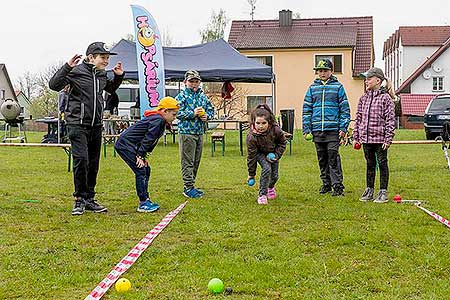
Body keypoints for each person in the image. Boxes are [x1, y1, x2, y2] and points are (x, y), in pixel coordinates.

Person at [49, 41, 124, 215]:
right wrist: (67, 67)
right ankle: (79, 199)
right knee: (81, 160)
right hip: (77, 124)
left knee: (93, 163)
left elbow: (110, 89)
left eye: (107, 58)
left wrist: (118, 77)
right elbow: (54, 85)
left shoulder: (101, 74)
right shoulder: (76, 72)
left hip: (96, 125)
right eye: (103, 57)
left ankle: (90, 198)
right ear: (91, 57)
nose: (106, 61)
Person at [114, 97, 179, 212]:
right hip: (125, 145)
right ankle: (143, 203)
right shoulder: (158, 120)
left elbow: (151, 142)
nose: (175, 118)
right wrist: (139, 156)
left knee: (146, 169)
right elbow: (149, 139)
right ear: (165, 111)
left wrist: (144, 157)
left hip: (133, 146)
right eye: (173, 114)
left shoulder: (160, 120)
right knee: (141, 170)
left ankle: (146, 198)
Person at [302, 59, 351, 196]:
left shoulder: (338, 87)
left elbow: (345, 109)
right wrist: (307, 129)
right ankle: (326, 183)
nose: (322, 73)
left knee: (333, 157)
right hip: (317, 130)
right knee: (322, 158)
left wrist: (343, 127)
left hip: (333, 130)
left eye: (325, 70)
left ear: (331, 71)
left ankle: (337, 185)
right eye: (320, 70)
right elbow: (307, 110)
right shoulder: (312, 88)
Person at [353, 67, 395, 203]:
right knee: (370, 164)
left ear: (378, 80)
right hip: (366, 139)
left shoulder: (385, 99)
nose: (366, 81)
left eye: (369, 79)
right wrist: (356, 137)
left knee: (382, 164)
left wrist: (388, 139)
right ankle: (369, 189)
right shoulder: (363, 98)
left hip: (380, 139)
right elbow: (358, 119)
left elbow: (390, 120)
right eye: (365, 79)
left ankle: (383, 191)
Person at [175, 70, 214, 198]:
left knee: (196, 161)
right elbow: (176, 113)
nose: (194, 84)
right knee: (188, 161)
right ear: (185, 82)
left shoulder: (203, 96)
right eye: (191, 81)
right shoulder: (181, 97)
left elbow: (211, 110)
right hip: (187, 133)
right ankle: (188, 187)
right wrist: (193, 113)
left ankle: (191, 186)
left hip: (199, 132)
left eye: (196, 81)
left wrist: (207, 116)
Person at [246, 104, 287, 205]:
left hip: (273, 152)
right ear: (253, 122)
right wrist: (251, 175)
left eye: (264, 123)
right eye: (258, 123)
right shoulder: (251, 137)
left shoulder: (276, 130)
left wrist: (276, 155)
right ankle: (262, 195)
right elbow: (251, 156)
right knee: (267, 169)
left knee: (275, 176)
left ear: (269, 122)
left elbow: (282, 143)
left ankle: (270, 187)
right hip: (259, 153)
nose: (260, 126)